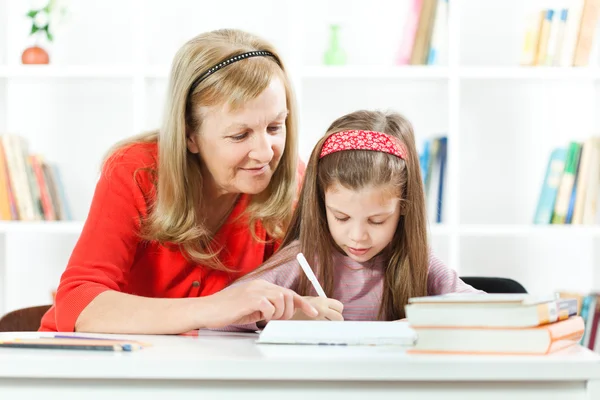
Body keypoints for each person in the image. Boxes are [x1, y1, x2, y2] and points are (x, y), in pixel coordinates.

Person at [39, 29, 319, 334]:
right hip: (97, 366)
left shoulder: (291, 181)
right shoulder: (134, 171)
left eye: (276, 126)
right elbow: (79, 302)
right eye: (240, 135)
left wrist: (302, 313)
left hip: (204, 371)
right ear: (189, 134)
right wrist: (214, 307)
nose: (265, 152)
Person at [223, 110, 483, 329]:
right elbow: (224, 312)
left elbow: (480, 308)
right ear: (321, 203)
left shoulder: (416, 258)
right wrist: (288, 314)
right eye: (342, 217)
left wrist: (423, 320)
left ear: (404, 207)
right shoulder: (304, 258)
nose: (358, 235)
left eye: (377, 220)